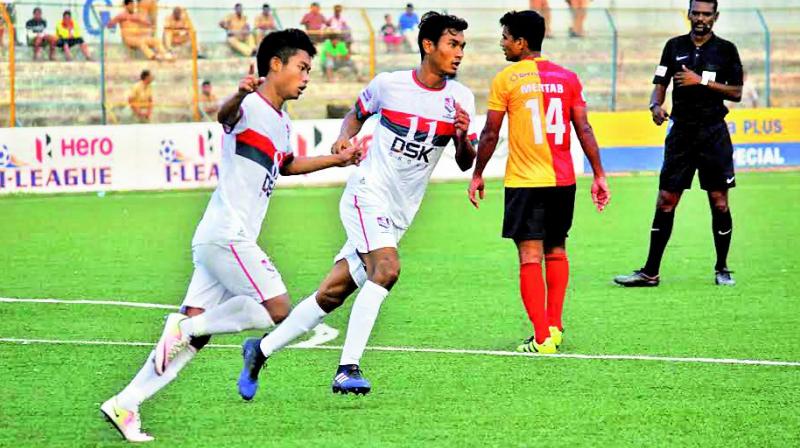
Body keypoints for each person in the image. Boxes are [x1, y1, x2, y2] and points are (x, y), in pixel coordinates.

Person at [100, 29, 360, 443]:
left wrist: (338, 160)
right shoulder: (251, 105)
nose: (307, 76)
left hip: (220, 238)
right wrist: (238, 95)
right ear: (276, 64)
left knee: (194, 334)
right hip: (228, 234)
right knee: (278, 312)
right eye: (302, 67)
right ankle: (183, 330)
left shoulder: (282, 120)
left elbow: (287, 165)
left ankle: (126, 403)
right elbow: (225, 118)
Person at [237, 11, 478, 399]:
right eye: (453, 44)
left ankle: (259, 351)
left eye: (462, 46)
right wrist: (343, 140)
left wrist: (464, 136)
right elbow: (356, 115)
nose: (459, 53)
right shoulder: (390, 85)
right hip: (368, 193)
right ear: (428, 46)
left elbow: (466, 160)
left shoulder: (461, 98)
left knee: (332, 294)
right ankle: (347, 368)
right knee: (386, 268)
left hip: (400, 212)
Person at [468, 10, 609, 354]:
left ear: (521, 42)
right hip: (563, 180)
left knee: (530, 256)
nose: (502, 43)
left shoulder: (507, 79)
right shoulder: (568, 78)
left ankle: (542, 337)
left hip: (526, 181)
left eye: (505, 37)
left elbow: (490, 132)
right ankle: (555, 327)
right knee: (557, 249)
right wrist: (599, 173)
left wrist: (477, 172)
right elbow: (584, 128)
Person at [614, 0, 742, 288]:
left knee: (719, 202)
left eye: (706, 14)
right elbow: (660, 82)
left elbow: (736, 92)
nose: (700, 18)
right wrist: (655, 105)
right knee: (666, 200)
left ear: (715, 17)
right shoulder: (674, 46)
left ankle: (722, 267)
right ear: (688, 15)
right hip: (681, 134)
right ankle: (650, 272)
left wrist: (702, 82)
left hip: (713, 133)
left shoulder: (726, 50)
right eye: (696, 13)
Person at [107, 0, 173, 61]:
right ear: (126, 6)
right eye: (131, 5)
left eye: (133, 5)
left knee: (156, 40)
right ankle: (153, 56)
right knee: (141, 42)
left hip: (138, 37)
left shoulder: (136, 15)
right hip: (128, 39)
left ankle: (166, 55)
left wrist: (145, 23)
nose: (133, 7)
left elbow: (148, 24)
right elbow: (109, 25)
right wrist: (117, 20)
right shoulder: (121, 15)